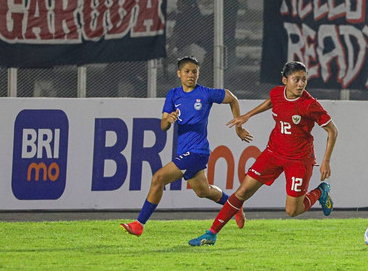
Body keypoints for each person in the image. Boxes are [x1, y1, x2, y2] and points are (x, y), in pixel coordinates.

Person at [188, 61, 339, 246]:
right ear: (285, 80)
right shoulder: (277, 92)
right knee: (242, 191)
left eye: (304, 80)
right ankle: (211, 234)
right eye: (296, 79)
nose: (301, 84)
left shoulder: (309, 105)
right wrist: (247, 116)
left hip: (299, 160)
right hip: (273, 153)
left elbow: (333, 131)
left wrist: (326, 161)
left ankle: (320, 192)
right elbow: (271, 102)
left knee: (292, 211)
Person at [121, 56, 253, 237]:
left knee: (158, 178)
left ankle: (139, 224)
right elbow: (163, 126)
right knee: (203, 191)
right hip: (184, 151)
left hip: (198, 152)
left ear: (198, 73)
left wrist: (239, 126)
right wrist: (169, 119)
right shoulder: (173, 95)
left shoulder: (205, 93)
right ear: (179, 74)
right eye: (187, 72)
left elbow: (232, 98)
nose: (191, 75)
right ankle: (234, 204)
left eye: (194, 72)